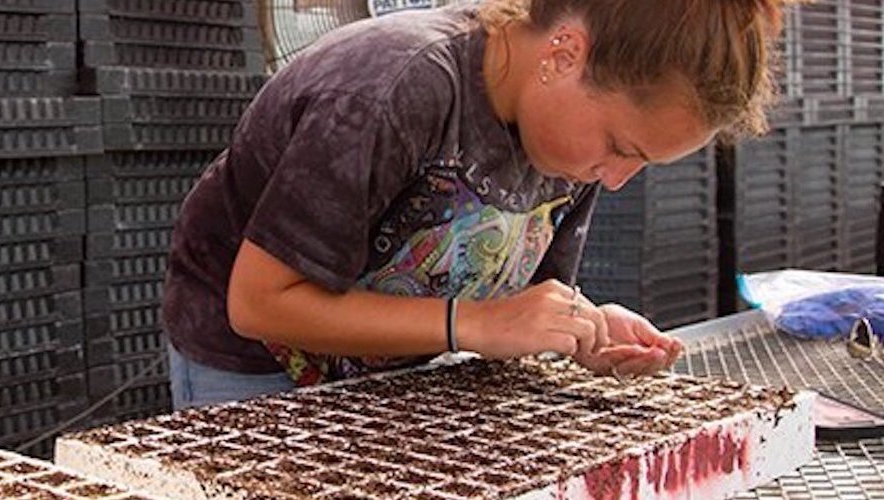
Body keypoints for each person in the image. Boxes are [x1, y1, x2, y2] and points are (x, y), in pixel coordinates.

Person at [162, 0, 786, 408]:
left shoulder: (572, 144)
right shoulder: (393, 88)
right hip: (256, 363)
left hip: (401, 367)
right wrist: (477, 326)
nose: (616, 179)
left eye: (641, 161)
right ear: (564, 53)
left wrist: (579, 327)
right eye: (619, 147)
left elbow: (511, 300)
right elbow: (258, 302)